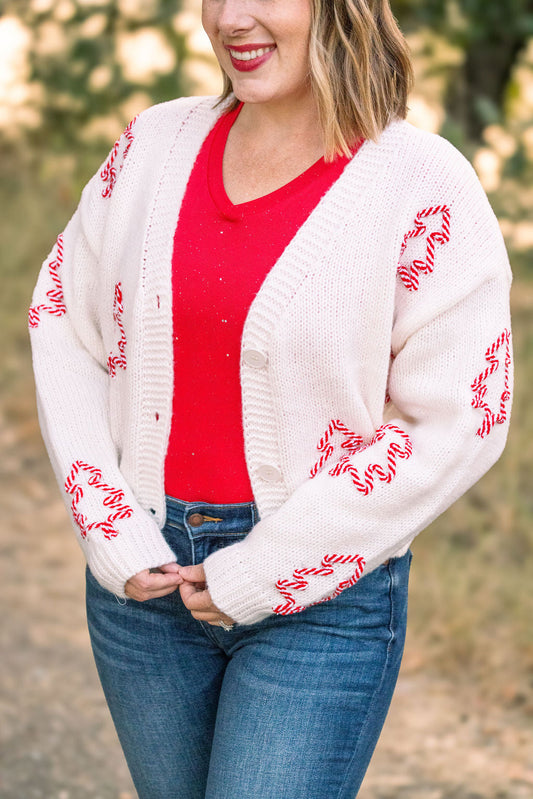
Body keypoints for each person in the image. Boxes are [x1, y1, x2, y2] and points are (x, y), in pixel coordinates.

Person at [29, 0, 513, 797]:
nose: (232, 18)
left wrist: (266, 568)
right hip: (144, 586)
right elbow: (63, 320)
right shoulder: (152, 145)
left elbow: (461, 417)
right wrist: (108, 521)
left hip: (320, 600)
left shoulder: (422, 186)